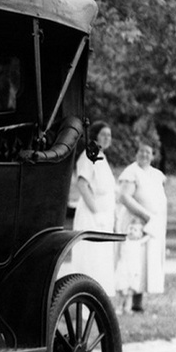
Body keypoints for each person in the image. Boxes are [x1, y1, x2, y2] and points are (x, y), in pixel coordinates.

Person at [115, 141, 167, 312]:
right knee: (132, 262)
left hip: (152, 224)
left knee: (147, 262)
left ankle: (138, 301)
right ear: (136, 153)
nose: (144, 155)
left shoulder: (157, 174)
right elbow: (124, 197)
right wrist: (144, 215)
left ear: (153, 155)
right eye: (141, 151)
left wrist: (154, 218)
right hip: (135, 223)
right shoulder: (131, 172)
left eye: (148, 152)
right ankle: (125, 302)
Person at [71, 121, 116, 295]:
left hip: (104, 216)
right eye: (103, 134)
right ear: (95, 135)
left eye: (109, 135)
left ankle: (99, 299)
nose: (107, 138)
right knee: (90, 258)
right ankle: (86, 302)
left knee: (102, 259)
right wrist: (97, 213)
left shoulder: (101, 157)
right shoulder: (89, 155)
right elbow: (82, 185)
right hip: (91, 216)